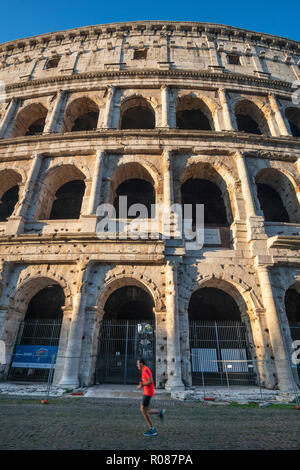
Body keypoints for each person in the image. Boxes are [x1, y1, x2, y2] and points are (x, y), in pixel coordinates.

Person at [136, 358, 165, 437]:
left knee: (143, 410)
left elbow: (150, 381)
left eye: (138, 364)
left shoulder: (146, 370)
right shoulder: (144, 370)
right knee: (146, 410)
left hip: (148, 393)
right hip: (147, 392)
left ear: (141, 363)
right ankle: (159, 413)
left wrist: (142, 385)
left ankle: (152, 429)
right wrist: (142, 384)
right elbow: (146, 381)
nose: (137, 365)